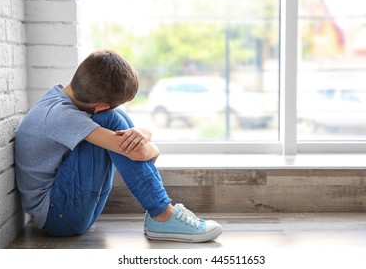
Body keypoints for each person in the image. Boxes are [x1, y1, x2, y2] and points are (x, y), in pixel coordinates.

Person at [14, 49, 222, 243]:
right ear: (101, 105)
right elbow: (142, 154)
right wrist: (147, 136)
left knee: (115, 118)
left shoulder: (59, 96)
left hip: (66, 209)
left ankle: (160, 214)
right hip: (59, 218)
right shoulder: (61, 116)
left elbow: (139, 153)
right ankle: (162, 215)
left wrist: (143, 135)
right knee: (110, 120)